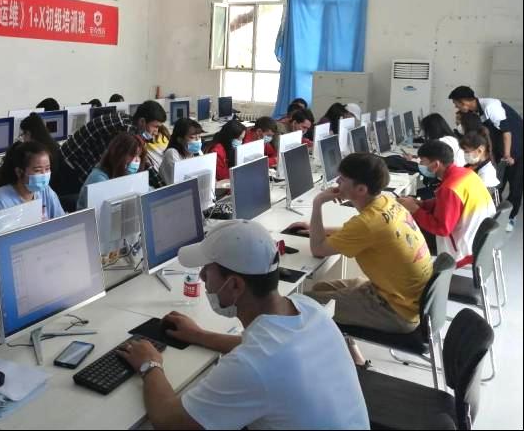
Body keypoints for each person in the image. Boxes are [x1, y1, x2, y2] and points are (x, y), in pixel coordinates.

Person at [116, 220, 369, 430]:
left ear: (235, 285)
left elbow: (170, 421)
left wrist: (150, 365)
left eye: (207, 271)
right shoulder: (308, 309)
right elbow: (264, 350)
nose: (202, 276)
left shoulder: (253, 366)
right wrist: (199, 335)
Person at [289, 153, 432, 364]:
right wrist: (317, 228)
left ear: (361, 189)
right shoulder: (387, 201)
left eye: (342, 179)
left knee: (302, 305)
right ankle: (353, 352)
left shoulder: (367, 223)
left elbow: (318, 249)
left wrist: (318, 203)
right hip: (407, 299)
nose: (337, 182)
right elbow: (358, 233)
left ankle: (324, 364)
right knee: (320, 288)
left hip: (396, 311)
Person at [398, 140, 495, 267]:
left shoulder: (449, 188)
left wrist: (415, 210)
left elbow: (442, 229)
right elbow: (448, 204)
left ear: (436, 164)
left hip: (462, 248)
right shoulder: (466, 173)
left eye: (422, 161)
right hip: (477, 239)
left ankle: (416, 274)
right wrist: (421, 204)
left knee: (404, 233)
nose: (420, 164)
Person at [449, 85, 522, 229]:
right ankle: (494, 217)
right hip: (501, 149)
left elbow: (506, 132)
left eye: (456, 104)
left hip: (518, 147)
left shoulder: (490, 106)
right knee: (498, 183)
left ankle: (511, 218)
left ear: (464, 102)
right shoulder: (476, 111)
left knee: (516, 184)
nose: (456, 107)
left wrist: (507, 154)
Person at [61, 100, 167, 193]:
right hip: (70, 163)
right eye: (155, 127)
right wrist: (163, 187)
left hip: (79, 159)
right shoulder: (125, 130)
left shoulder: (129, 124)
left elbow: (141, 161)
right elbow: (143, 164)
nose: (156, 132)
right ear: (142, 121)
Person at [0, 142, 65, 220]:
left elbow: (61, 222)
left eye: (47, 169)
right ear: (19, 172)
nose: (44, 174)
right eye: (37, 170)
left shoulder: (46, 191)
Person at [78, 133, 146, 209]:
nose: (137, 161)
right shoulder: (99, 179)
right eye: (133, 155)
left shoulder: (123, 175)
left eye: (139, 156)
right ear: (120, 155)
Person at [19, 113, 67, 195]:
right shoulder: (52, 144)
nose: (22, 138)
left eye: (23, 134)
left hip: (49, 189)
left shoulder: (38, 152)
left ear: (29, 133)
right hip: (59, 187)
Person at [160, 118, 205, 185]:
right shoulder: (172, 153)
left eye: (199, 137)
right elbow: (180, 182)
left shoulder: (198, 152)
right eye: (192, 137)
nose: (197, 140)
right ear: (180, 139)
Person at [460, 131, 501, 201]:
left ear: (479, 150)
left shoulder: (487, 173)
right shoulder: (473, 164)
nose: (464, 154)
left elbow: (478, 200)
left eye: (466, 152)